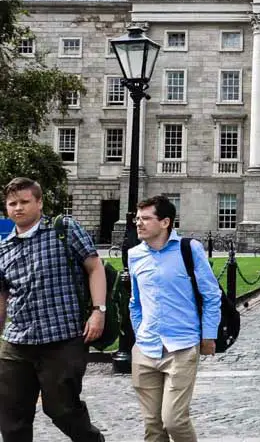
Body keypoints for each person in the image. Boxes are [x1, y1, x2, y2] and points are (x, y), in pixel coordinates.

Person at [0, 177, 107, 442]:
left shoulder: (64, 229)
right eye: (12, 203)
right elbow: (2, 296)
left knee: (62, 409)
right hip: (17, 341)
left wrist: (98, 310)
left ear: (39, 202)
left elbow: (95, 268)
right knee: (11, 417)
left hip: (62, 337)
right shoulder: (3, 247)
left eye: (25, 201)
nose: (18, 208)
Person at [129, 195, 221, 442]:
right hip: (146, 348)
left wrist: (208, 335)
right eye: (138, 218)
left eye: (146, 218)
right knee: (152, 426)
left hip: (180, 347)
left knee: (174, 421)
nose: (139, 223)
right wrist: (139, 334)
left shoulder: (189, 249)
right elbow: (135, 302)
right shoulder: (134, 255)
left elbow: (211, 295)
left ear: (165, 222)